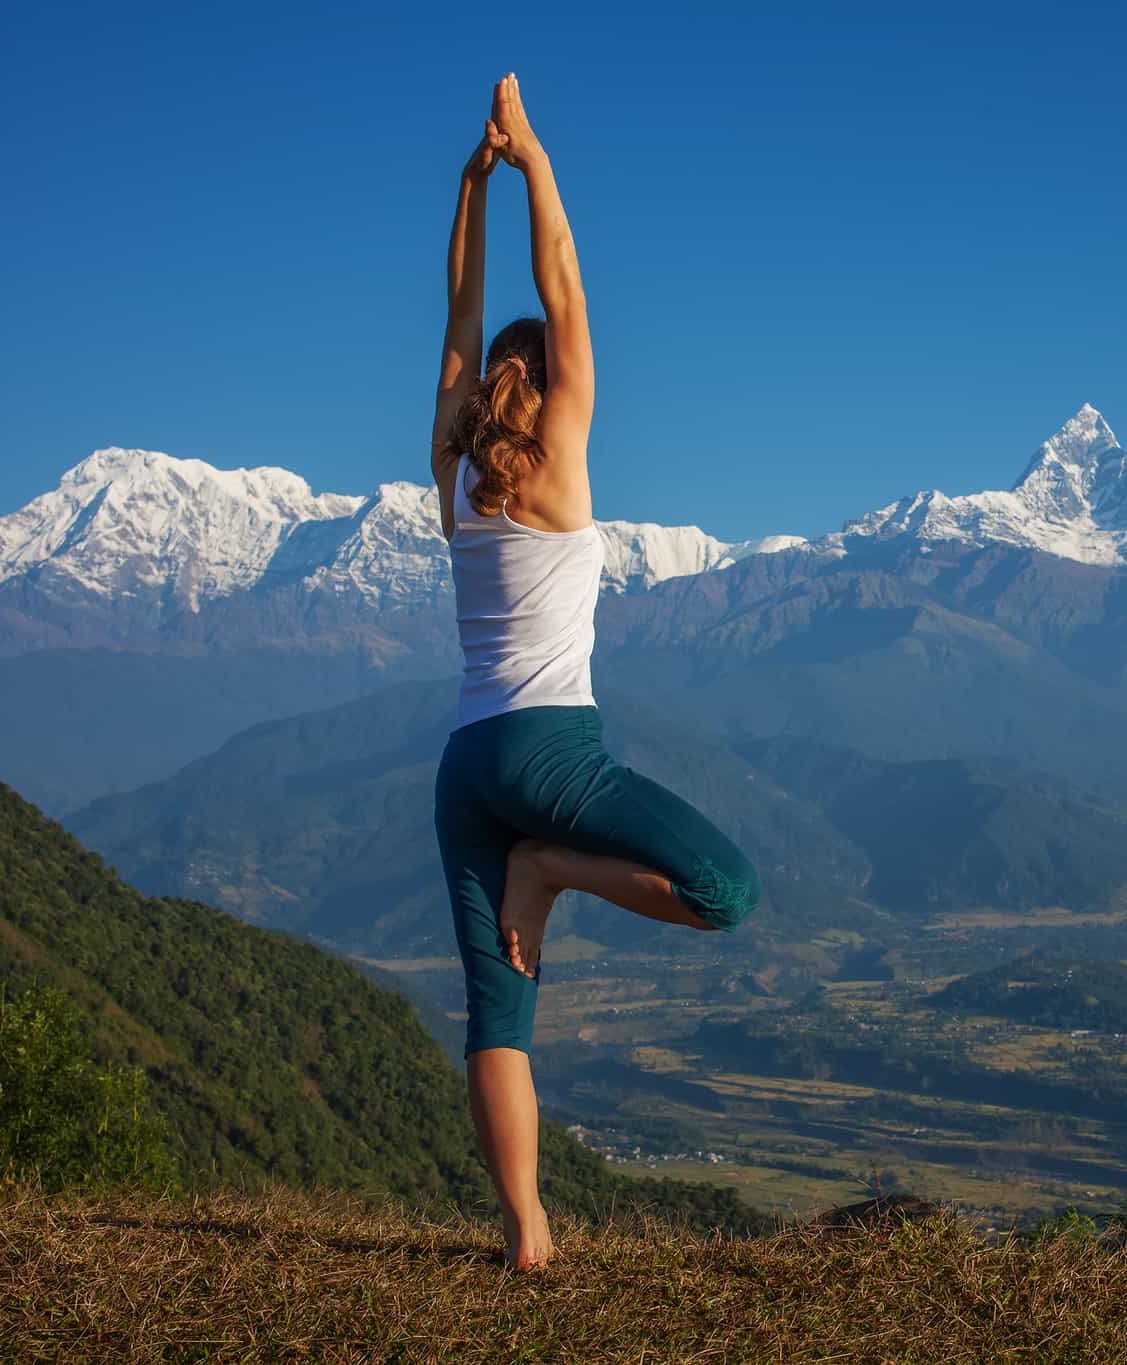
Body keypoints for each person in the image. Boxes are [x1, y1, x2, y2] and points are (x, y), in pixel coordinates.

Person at [428, 73, 763, 1270]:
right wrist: (531, 160)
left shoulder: (454, 482)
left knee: (495, 1011)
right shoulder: (563, 461)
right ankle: (555, 867)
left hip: (465, 762)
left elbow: (461, 319)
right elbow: (556, 277)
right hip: (549, 751)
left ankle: (527, 1235)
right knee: (729, 891)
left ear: (479, 401)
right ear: (552, 387)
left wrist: (469, 182)